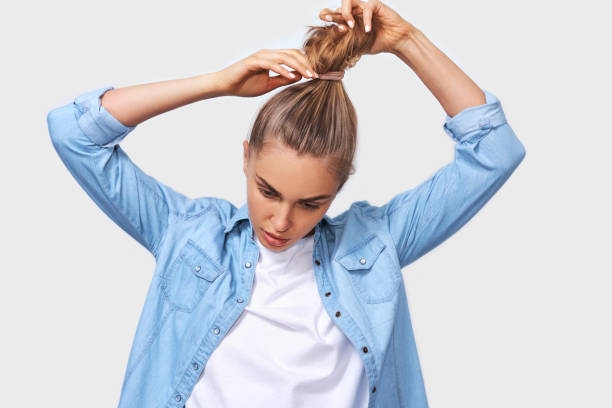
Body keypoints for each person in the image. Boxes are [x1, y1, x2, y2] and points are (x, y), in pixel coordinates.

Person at [46, 0, 526, 407]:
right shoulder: (188, 233)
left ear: (338, 191)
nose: (281, 221)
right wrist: (217, 83)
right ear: (245, 158)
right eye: (268, 190)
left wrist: (405, 40)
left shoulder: (377, 246)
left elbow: (494, 151)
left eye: (311, 203)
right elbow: (74, 133)